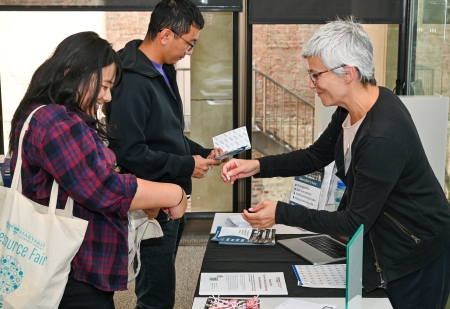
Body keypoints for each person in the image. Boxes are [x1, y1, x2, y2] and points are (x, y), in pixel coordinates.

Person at [221, 18, 450, 309]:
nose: (311, 83)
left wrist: (281, 213)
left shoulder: (382, 135)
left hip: (418, 254)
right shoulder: (349, 110)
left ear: (348, 73)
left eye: (316, 75)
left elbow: (354, 222)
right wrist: (257, 167)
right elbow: (314, 156)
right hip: (387, 241)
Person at [8, 31, 188, 309]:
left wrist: (145, 200)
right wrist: (172, 194)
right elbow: (104, 187)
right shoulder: (56, 121)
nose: (106, 96)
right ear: (73, 71)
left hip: (71, 260)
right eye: (103, 86)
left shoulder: (48, 114)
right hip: (71, 266)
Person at [106, 1, 224, 308]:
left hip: (172, 198)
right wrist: (187, 164)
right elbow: (129, 153)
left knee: (161, 287)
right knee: (156, 298)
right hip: (151, 206)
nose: (190, 52)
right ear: (166, 35)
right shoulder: (130, 80)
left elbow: (166, 134)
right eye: (190, 43)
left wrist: (200, 152)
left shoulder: (164, 70)